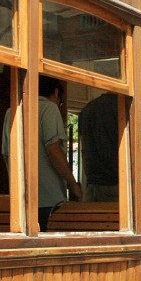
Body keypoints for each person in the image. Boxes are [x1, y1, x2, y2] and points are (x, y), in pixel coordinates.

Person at [77, 93, 141, 202]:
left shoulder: (86, 110)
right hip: (116, 186)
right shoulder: (119, 107)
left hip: (92, 189)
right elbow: (134, 148)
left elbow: (84, 152)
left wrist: (92, 179)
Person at [35, 76, 82, 230]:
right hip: (50, 200)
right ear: (55, 93)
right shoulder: (49, 108)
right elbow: (54, 150)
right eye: (60, 102)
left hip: (22, 202)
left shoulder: (12, 111)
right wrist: (73, 184)